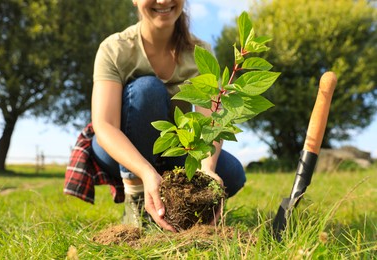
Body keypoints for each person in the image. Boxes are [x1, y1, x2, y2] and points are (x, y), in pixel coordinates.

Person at [64, 0, 246, 232]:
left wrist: (207, 169)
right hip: (119, 151)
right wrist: (145, 174)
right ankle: (136, 200)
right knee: (147, 90)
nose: (162, 1)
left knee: (231, 174)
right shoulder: (115, 48)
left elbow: (211, 121)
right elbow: (105, 125)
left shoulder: (200, 53)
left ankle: (166, 206)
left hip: (172, 149)